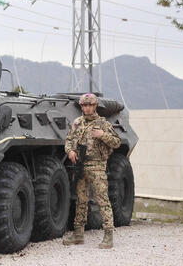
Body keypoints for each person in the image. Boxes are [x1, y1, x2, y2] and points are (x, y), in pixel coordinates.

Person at [62, 93, 121, 249]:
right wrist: (70, 152)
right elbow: (68, 140)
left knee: (102, 200)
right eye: (84, 105)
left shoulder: (103, 124)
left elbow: (117, 142)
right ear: (81, 107)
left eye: (90, 105)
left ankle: (108, 235)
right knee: (81, 200)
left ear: (95, 106)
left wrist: (103, 136)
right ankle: (78, 234)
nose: (87, 108)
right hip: (81, 166)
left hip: (97, 166)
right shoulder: (77, 123)